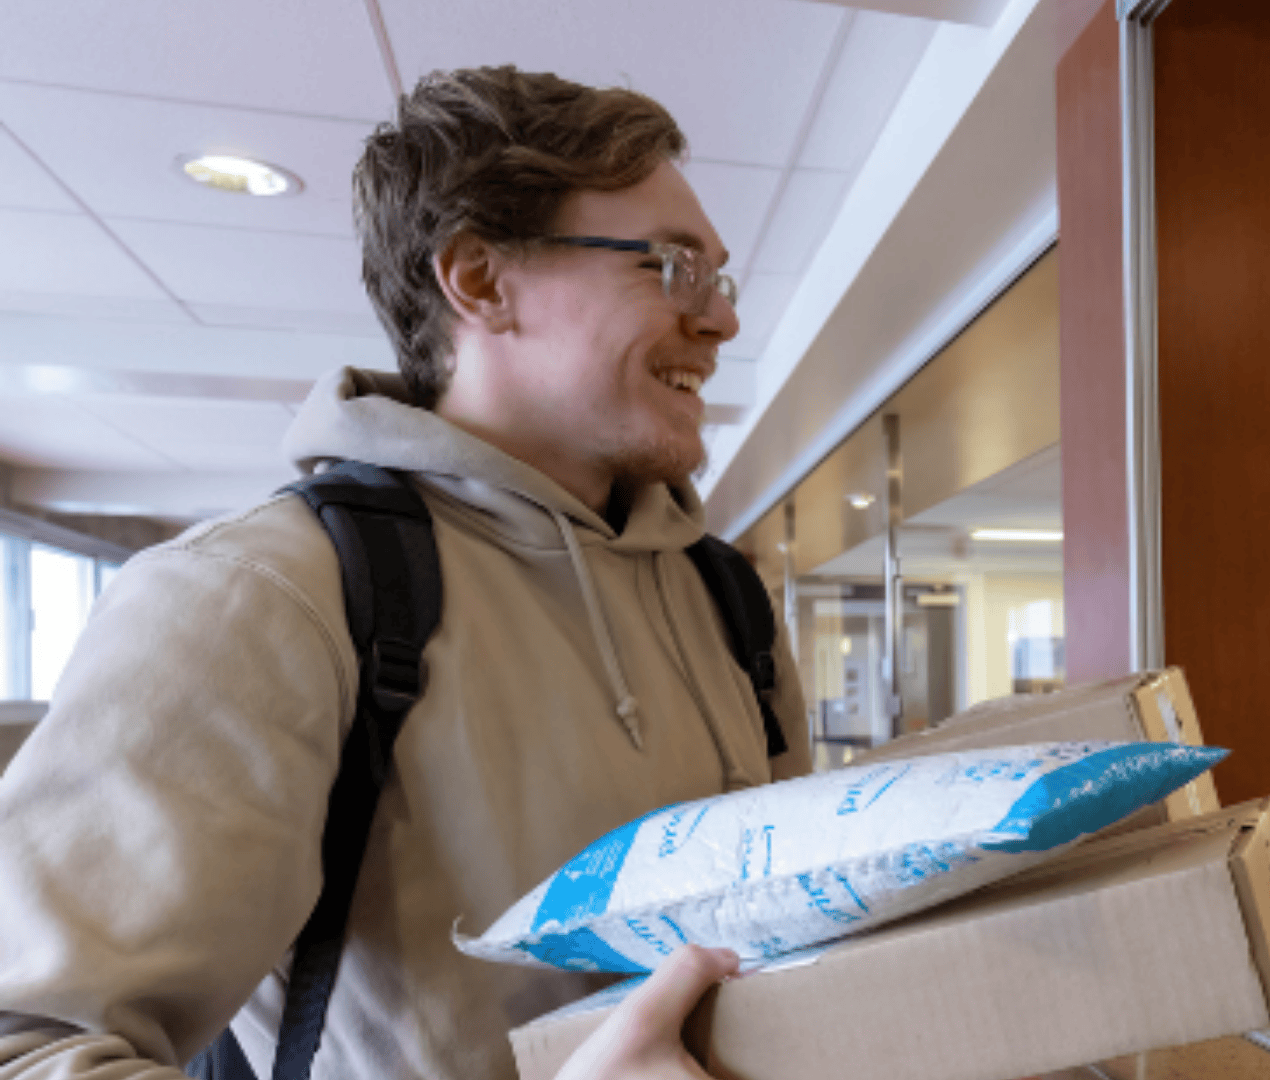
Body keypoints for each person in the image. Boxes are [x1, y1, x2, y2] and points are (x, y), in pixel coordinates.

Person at [0, 66, 810, 1079]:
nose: (722, 321)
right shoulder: (272, 596)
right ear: (477, 279)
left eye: (718, 279)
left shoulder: (726, 601)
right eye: (669, 266)